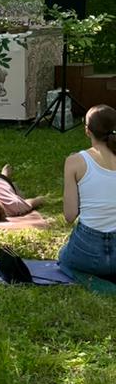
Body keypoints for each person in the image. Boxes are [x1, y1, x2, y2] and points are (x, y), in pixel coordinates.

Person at [59, 104, 116, 278]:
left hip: (86, 251)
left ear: (87, 131)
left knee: (63, 258)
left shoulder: (75, 162)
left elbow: (69, 215)